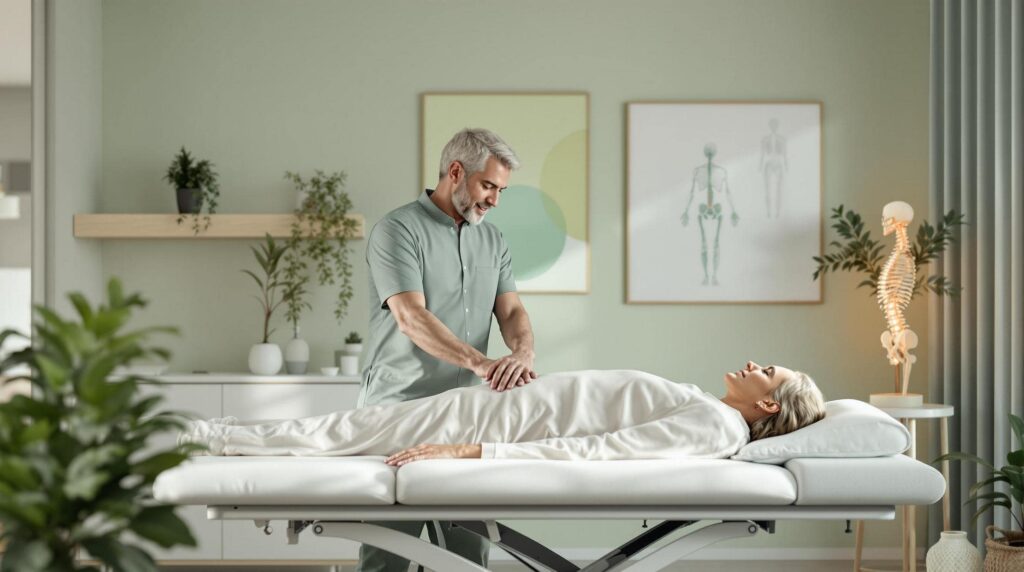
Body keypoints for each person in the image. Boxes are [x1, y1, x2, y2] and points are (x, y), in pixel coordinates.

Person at [357, 128, 536, 571]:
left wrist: (522, 354)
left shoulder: (492, 240)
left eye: (501, 190)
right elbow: (410, 317)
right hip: (400, 410)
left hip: (467, 416)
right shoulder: (397, 230)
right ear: (456, 172)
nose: (495, 199)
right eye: (488, 185)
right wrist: (482, 363)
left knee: (467, 554)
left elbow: (512, 311)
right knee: (387, 555)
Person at [180, 361, 827, 462]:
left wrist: (473, 451)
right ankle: (218, 436)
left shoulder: (716, 426)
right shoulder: (713, 412)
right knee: (351, 430)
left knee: (348, 430)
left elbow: (603, 452)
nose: (753, 362)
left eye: (767, 370)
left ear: (768, 403)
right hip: (500, 410)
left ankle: (212, 439)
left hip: (495, 425)